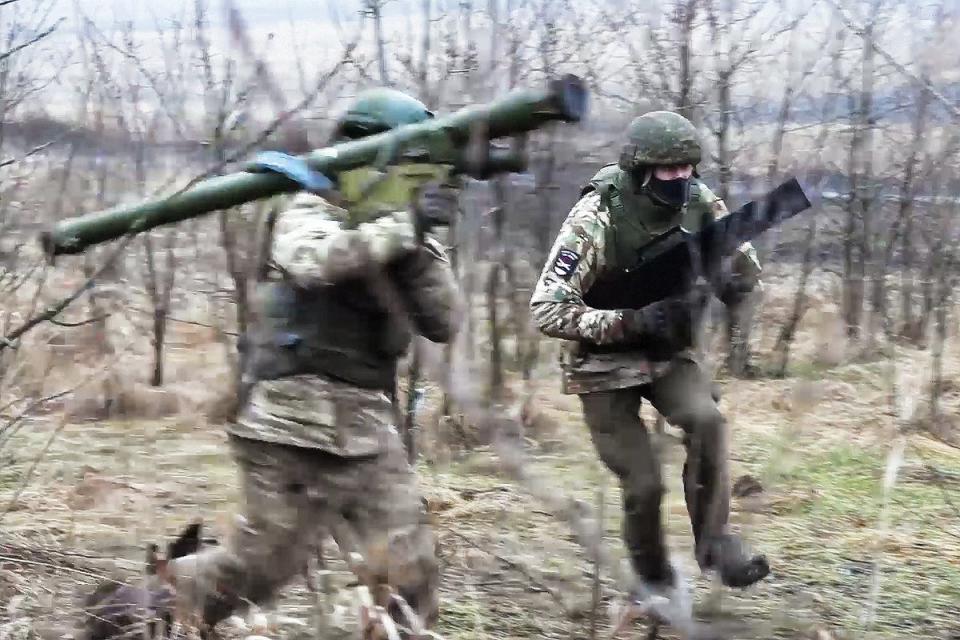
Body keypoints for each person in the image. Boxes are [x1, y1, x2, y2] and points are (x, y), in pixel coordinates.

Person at [167, 88, 462, 636]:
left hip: (367, 427)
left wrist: (417, 242)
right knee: (259, 571)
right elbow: (312, 261)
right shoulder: (308, 202)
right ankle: (155, 606)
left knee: (411, 571)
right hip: (288, 421)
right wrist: (401, 227)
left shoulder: (400, 225)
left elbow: (444, 321)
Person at [528, 110, 769, 601]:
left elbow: (748, 273)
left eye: (687, 168)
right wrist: (624, 321)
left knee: (708, 423)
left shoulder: (703, 206)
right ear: (640, 170)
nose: (680, 178)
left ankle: (717, 545)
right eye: (668, 170)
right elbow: (547, 310)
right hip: (601, 364)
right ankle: (654, 580)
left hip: (667, 354)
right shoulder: (596, 219)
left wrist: (731, 285)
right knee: (643, 485)